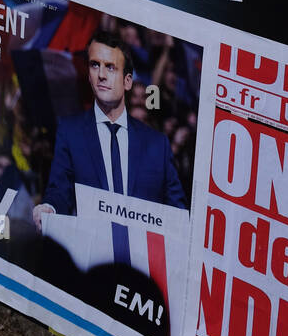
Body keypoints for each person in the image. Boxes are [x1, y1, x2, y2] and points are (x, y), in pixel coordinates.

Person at [32, 31, 187, 230]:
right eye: (95, 65)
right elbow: (60, 191)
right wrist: (49, 209)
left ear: (127, 81)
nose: (102, 75)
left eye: (111, 68)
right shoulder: (71, 132)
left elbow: (177, 214)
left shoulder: (157, 144)